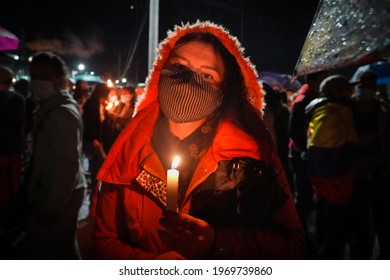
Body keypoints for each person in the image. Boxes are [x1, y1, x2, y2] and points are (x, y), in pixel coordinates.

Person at [92, 21, 305, 260]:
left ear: (223, 91)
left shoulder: (250, 157)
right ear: (160, 74)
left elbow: (292, 246)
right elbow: (103, 240)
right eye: (179, 66)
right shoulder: (130, 150)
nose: (188, 80)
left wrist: (216, 242)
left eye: (206, 75)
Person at [22, 51, 87, 259]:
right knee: (63, 248)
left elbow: (66, 164)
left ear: (59, 80)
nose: (38, 81)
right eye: (34, 75)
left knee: (41, 249)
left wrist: (51, 206)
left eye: (45, 75)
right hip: (64, 192)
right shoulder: (52, 108)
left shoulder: (61, 113)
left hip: (57, 195)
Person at [305, 75, 357, 259]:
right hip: (334, 180)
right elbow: (323, 149)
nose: (351, 92)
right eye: (346, 88)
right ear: (337, 90)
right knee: (334, 230)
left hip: (332, 178)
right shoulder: (329, 113)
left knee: (331, 227)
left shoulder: (336, 109)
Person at [350, 70, 390, 259]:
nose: (366, 88)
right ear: (357, 86)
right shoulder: (348, 109)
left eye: (370, 84)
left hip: (380, 172)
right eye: (363, 84)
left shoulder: (384, 109)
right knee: (359, 220)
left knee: (382, 218)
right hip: (356, 173)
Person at [288, 71, 329, 238]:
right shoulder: (304, 99)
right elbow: (294, 130)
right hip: (301, 154)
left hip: (305, 153)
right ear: (314, 80)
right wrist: (308, 149)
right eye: (323, 78)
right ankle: (301, 235)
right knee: (304, 196)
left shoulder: (310, 95)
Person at [0, 66, 25, 225]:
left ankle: (4, 218)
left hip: (1, 150)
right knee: (15, 184)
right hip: (15, 149)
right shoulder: (19, 99)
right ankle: (15, 216)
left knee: (2, 185)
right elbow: (22, 125)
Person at [82, 82, 110, 188]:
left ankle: (95, 182)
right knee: (99, 160)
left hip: (95, 138)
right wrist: (94, 138)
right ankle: (95, 183)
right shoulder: (93, 102)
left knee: (96, 161)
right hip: (92, 138)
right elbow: (89, 122)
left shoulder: (97, 102)